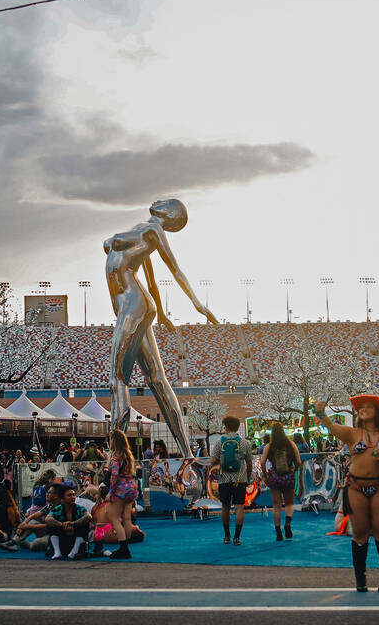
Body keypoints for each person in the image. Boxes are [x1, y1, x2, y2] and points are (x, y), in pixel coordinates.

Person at [104, 198, 220, 458]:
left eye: (166, 202)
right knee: (156, 378)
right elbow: (152, 280)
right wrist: (162, 314)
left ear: (170, 214)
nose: (158, 200)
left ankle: (115, 459)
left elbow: (175, 270)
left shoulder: (153, 230)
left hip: (132, 304)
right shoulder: (143, 232)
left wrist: (198, 304)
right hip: (136, 304)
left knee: (117, 381)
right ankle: (187, 453)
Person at [314, 395, 379, 591]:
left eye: (369, 407)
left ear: (377, 412)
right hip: (356, 486)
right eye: (361, 407)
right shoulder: (352, 434)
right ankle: (361, 579)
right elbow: (331, 426)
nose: (363, 409)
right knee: (359, 532)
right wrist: (320, 412)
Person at [209, 415, 253, 546]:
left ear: (226, 427)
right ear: (238, 428)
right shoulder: (245, 443)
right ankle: (237, 538)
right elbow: (249, 463)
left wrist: (218, 463)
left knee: (225, 507)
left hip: (224, 479)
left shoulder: (219, 442)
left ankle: (227, 536)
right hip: (240, 479)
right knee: (239, 507)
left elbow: (212, 461)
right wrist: (248, 476)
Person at [261, 422, 303, 542]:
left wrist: (266, 476)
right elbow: (298, 461)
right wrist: (294, 469)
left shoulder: (269, 446)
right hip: (288, 476)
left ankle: (278, 532)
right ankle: (288, 523)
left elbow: (263, 462)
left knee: (276, 506)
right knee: (289, 503)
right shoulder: (290, 444)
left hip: (274, 477)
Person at [105, 428, 138, 559]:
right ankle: (126, 547)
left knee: (114, 518)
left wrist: (110, 492)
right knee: (127, 518)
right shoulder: (128, 454)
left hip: (120, 489)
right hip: (131, 487)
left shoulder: (115, 456)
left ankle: (123, 548)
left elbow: (114, 475)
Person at [45, 481, 91, 559]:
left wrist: (73, 523)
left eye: (73, 495)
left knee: (84, 525)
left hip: (75, 540)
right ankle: (57, 552)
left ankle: (74, 551)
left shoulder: (79, 508)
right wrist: (61, 524)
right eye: (69, 495)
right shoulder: (58, 508)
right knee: (52, 526)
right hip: (62, 541)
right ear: (62, 499)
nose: (73, 497)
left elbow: (88, 516)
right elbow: (48, 519)